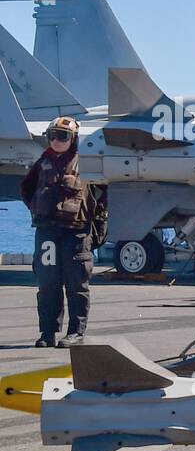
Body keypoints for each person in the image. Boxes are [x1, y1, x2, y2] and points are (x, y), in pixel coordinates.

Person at [20, 116, 107, 347]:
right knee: (47, 283)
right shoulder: (43, 162)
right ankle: (47, 333)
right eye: (53, 136)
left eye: (63, 136)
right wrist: (37, 209)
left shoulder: (85, 163)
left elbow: (102, 196)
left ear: (74, 138)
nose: (57, 141)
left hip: (76, 232)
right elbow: (27, 189)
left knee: (76, 283)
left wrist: (98, 228)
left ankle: (76, 332)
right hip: (47, 231)